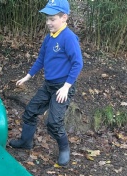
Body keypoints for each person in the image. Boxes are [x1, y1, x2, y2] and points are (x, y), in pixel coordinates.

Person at [9, 0, 83, 166]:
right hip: (48, 85)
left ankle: (64, 148)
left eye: (52, 19)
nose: (48, 22)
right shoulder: (49, 38)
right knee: (30, 111)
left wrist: (66, 87)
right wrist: (28, 76)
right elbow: (41, 59)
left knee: (53, 122)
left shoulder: (69, 38)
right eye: (47, 19)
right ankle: (26, 141)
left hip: (62, 87)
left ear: (64, 18)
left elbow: (77, 63)